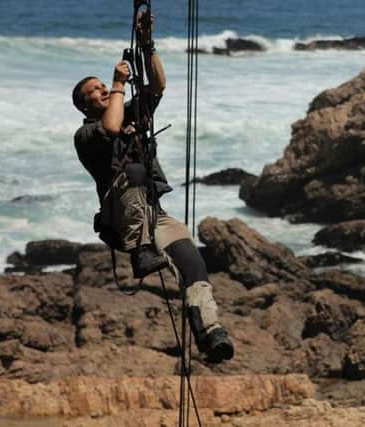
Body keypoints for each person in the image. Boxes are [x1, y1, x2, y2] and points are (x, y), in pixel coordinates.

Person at [71, 13, 234, 363]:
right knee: (132, 171)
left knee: (192, 263)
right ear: (86, 106)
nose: (103, 91)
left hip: (153, 212)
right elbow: (111, 128)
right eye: (95, 91)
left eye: (104, 87)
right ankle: (142, 251)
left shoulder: (128, 112)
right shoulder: (86, 135)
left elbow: (157, 85)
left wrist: (147, 44)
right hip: (123, 215)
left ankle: (209, 331)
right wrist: (117, 83)